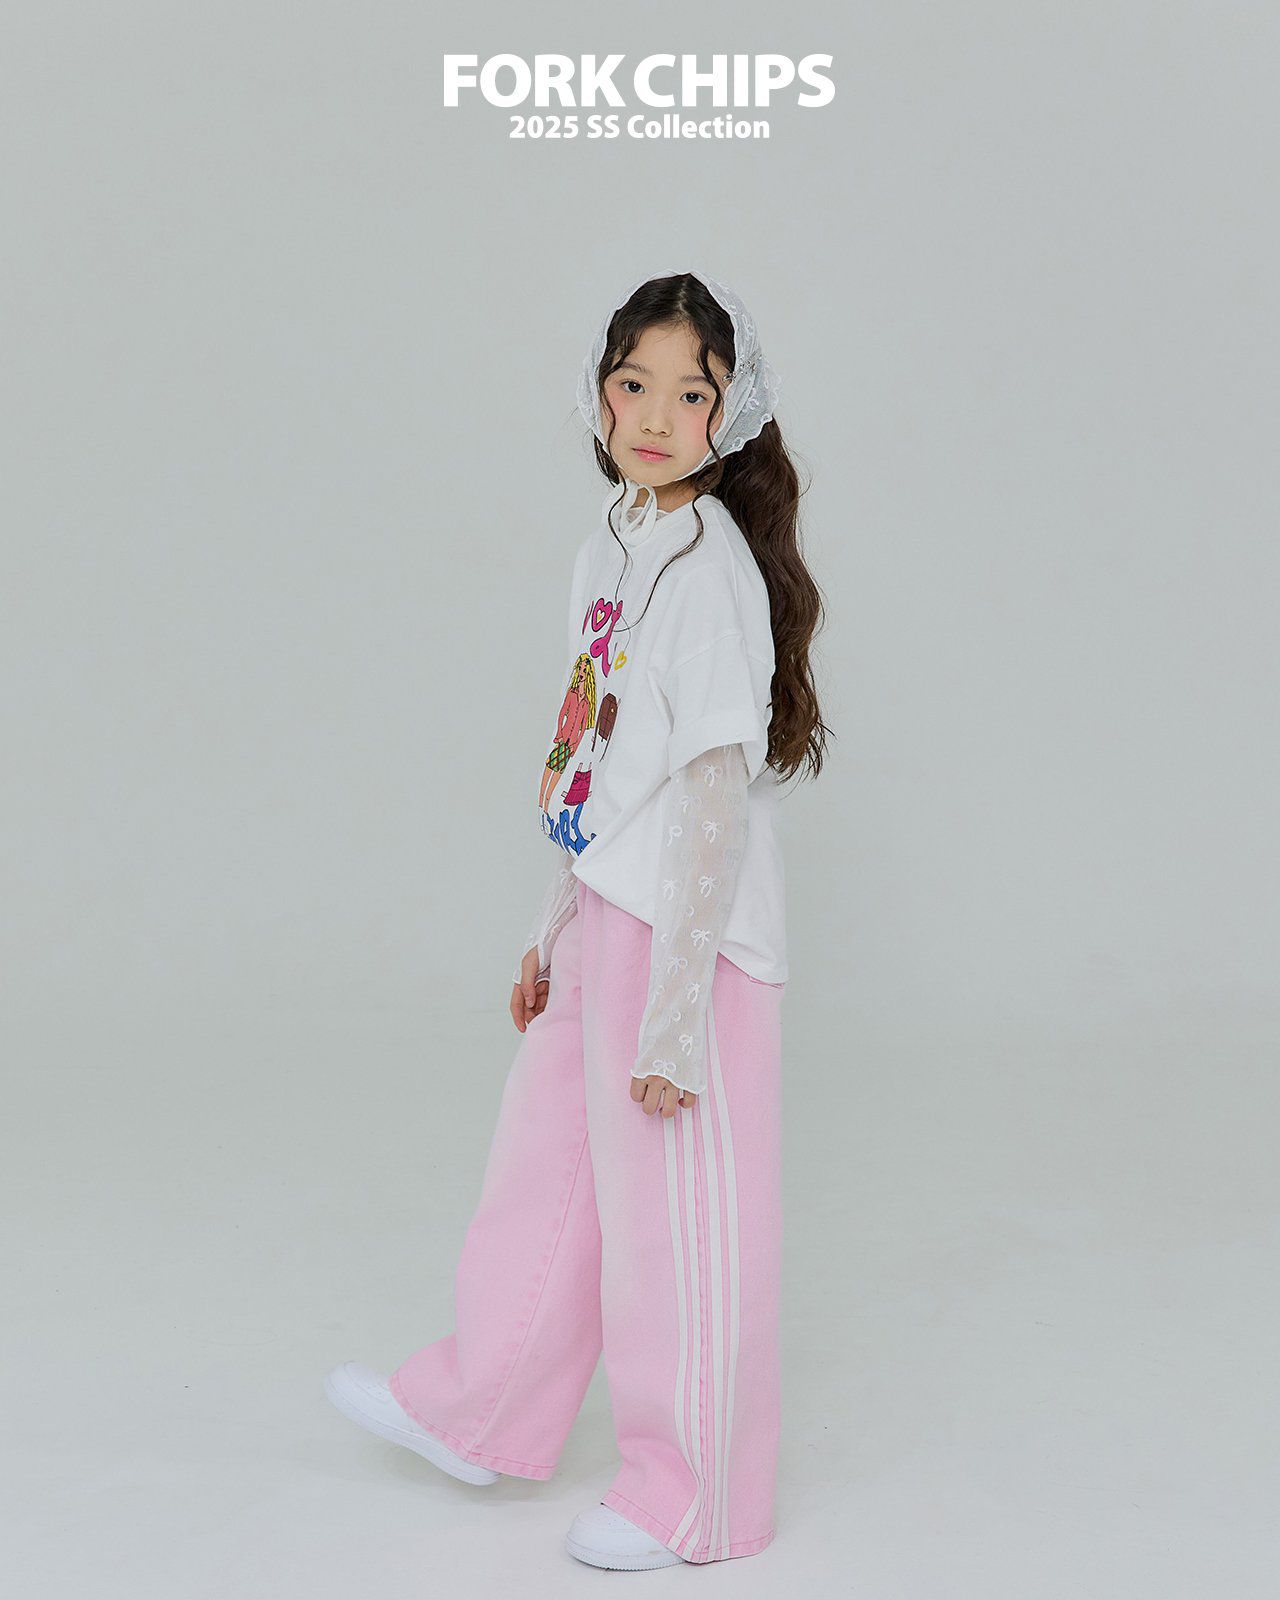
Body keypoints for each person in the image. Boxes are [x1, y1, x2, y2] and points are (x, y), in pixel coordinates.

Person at [325, 268, 830, 1570]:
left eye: (690, 395)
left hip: (690, 940)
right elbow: (595, 755)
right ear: (599, 394)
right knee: (547, 1169)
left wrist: (675, 1016)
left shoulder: (711, 571)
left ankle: (695, 1495)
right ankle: (481, 1408)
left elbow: (712, 795)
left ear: (731, 414)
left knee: (677, 1227)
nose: (655, 416)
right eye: (632, 383)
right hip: (609, 905)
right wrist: (553, 924)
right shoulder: (612, 539)